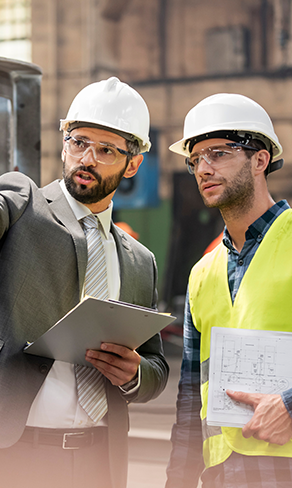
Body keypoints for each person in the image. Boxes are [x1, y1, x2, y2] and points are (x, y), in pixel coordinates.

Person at [0, 76, 169, 488]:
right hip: (15, 455)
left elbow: (157, 365)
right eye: (78, 141)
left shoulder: (140, 261)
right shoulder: (23, 203)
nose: (87, 158)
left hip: (99, 459)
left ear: (133, 163)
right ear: (64, 142)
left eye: (106, 149)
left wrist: (135, 374)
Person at [165, 93, 292, 488]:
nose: (203, 168)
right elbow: (189, 400)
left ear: (260, 159)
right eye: (196, 159)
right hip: (220, 472)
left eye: (218, 153)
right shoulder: (202, 273)